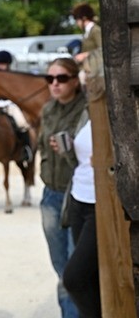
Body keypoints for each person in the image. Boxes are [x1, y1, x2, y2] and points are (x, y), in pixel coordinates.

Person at [38, 57, 86, 318]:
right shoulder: (48, 110)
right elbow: (43, 147)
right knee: (60, 269)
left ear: (75, 81)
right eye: (50, 79)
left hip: (76, 195)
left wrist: (70, 150)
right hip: (50, 196)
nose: (54, 84)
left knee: (73, 272)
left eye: (61, 78)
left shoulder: (87, 109)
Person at [62, 113, 102, 318]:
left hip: (101, 206)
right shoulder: (88, 110)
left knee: (74, 278)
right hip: (79, 199)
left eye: (62, 77)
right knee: (90, 279)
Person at [0, 49, 33, 165]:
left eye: (4, 64)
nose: (2, 66)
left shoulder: (12, 77)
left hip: (10, 105)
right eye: (0, 64)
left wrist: (6, 103)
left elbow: (16, 95)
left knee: (22, 124)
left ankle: (26, 149)